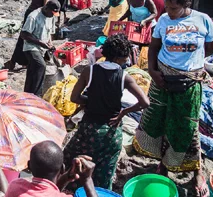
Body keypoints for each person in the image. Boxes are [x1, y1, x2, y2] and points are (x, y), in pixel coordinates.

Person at [135, 0, 213, 197]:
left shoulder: (202, 20)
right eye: (168, 8)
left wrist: (192, 65)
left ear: (185, 5)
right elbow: (153, 47)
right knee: (161, 121)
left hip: (188, 82)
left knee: (187, 126)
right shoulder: (163, 21)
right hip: (162, 78)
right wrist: (153, 71)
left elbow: (211, 48)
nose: (170, 12)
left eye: (174, 9)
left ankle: (197, 172)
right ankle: (164, 165)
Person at [63, 36, 150, 189]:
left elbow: (75, 97)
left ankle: (71, 190)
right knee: (105, 172)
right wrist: (123, 112)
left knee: (72, 160)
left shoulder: (89, 71)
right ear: (118, 57)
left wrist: (91, 100)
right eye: (125, 57)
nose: (127, 60)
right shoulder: (124, 77)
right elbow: (145, 102)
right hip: (111, 132)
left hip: (88, 130)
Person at [7, 0, 58, 69]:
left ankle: (13, 61)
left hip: (29, 12)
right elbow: (46, 6)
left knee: (22, 39)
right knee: (38, 37)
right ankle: (35, 60)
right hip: (37, 16)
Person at [21, 0, 60, 96]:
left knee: (33, 71)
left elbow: (49, 33)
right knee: (40, 65)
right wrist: (40, 43)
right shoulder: (33, 17)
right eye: (52, 13)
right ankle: (37, 95)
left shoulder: (51, 17)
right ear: (46, 8)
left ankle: (27, 94)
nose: (53, 15)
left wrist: (50, 44)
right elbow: (24, 34)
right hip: (31, 47)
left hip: (42, 47)